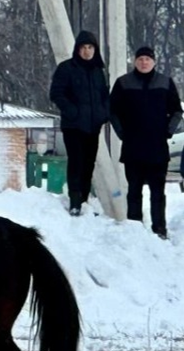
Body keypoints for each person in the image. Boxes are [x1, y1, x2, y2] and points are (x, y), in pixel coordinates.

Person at [109, 44, 181, 239]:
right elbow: (112, 111)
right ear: (135, 61)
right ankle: (135, 229)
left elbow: (177, 111)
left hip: (157, 148)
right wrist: (122, 133)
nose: (144, 62)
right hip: (133, 148)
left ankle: (159, 229)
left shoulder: (165, 83)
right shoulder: (124, 83)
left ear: (154, 62)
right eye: (140, 59)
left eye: (147, 59)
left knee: (158, 193)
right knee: (134, 192)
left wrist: (168, 131)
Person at [48, 30, 110, 215]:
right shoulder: (66, 68)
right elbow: (56, 93)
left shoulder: (98, 71)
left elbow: (104, 95)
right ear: (77, 49)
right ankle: (75, 201)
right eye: (83, 47)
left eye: (90, 47)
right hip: (73, 126)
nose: (87, 51)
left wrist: (103, 114)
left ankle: (84, 199)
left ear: (95, 49)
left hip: (93, 125)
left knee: (89, 163)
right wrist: (71, 111)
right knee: (76, 162)